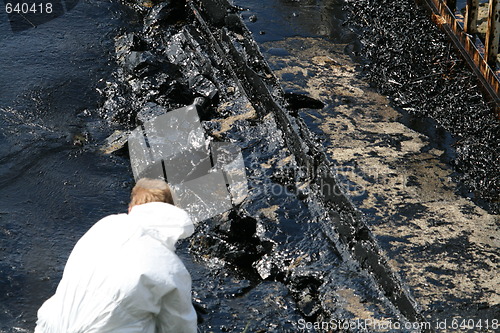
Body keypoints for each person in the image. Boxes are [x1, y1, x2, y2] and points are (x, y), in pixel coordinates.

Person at [34, 178, 198, 333]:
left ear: (131, 209)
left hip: (48, 327)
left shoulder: (104, 226)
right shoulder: (172, 269)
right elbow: (180, 329)